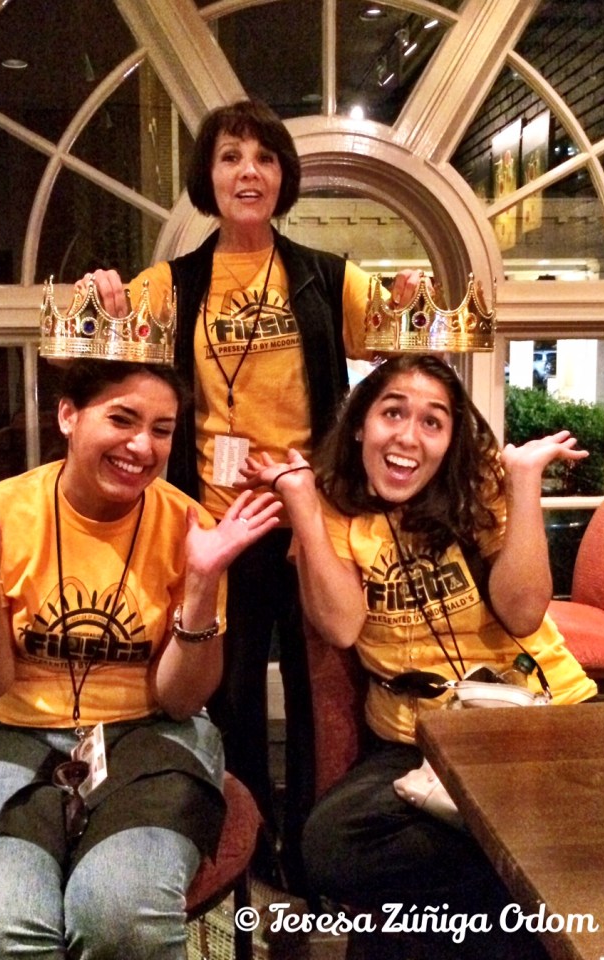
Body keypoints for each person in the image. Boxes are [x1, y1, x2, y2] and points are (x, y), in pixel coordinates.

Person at [78, 98, 421, 891]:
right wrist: (109, 308)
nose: (248, 172)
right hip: (217, 522)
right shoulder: (172, 283)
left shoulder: (325, 276)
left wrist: (405, 300)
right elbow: (109, 368)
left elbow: (397, 340)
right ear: (207, 176)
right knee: (226, 692)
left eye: (264, 158)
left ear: (282, 177)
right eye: (230, 157)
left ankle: (310, 843)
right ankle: (245, 835)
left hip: (305, 516)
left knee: (318, 692)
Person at [0, 358, 281, 960]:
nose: (143, 446)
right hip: (18, 733)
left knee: (121, 919)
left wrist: (202, 582)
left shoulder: (189, 526)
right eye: (122, 420)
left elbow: (182, 700)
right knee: (3, 930)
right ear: (68, 416)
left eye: (162, 429)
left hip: (154, 733)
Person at [238, 353, 597, 959]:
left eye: (433, 421)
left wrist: (523, 483)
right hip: (414, 739)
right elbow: (341, 626)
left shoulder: (482, 488)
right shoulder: (336, 505)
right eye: (393, 413)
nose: (408, 436)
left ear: (451, 440)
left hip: (533, 718)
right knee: (329, 846)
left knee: (403, 933)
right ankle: (532, 866)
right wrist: (301, 502)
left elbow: (524, 612)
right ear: (361, 425)